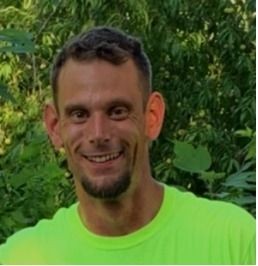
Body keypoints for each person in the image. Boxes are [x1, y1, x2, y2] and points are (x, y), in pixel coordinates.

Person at [0, 26, 255, 264]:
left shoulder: (235, 242)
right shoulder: (21, 258)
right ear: (55, 126)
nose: (98, 134)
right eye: (79, 114)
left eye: (117, 111)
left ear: (152, 117)